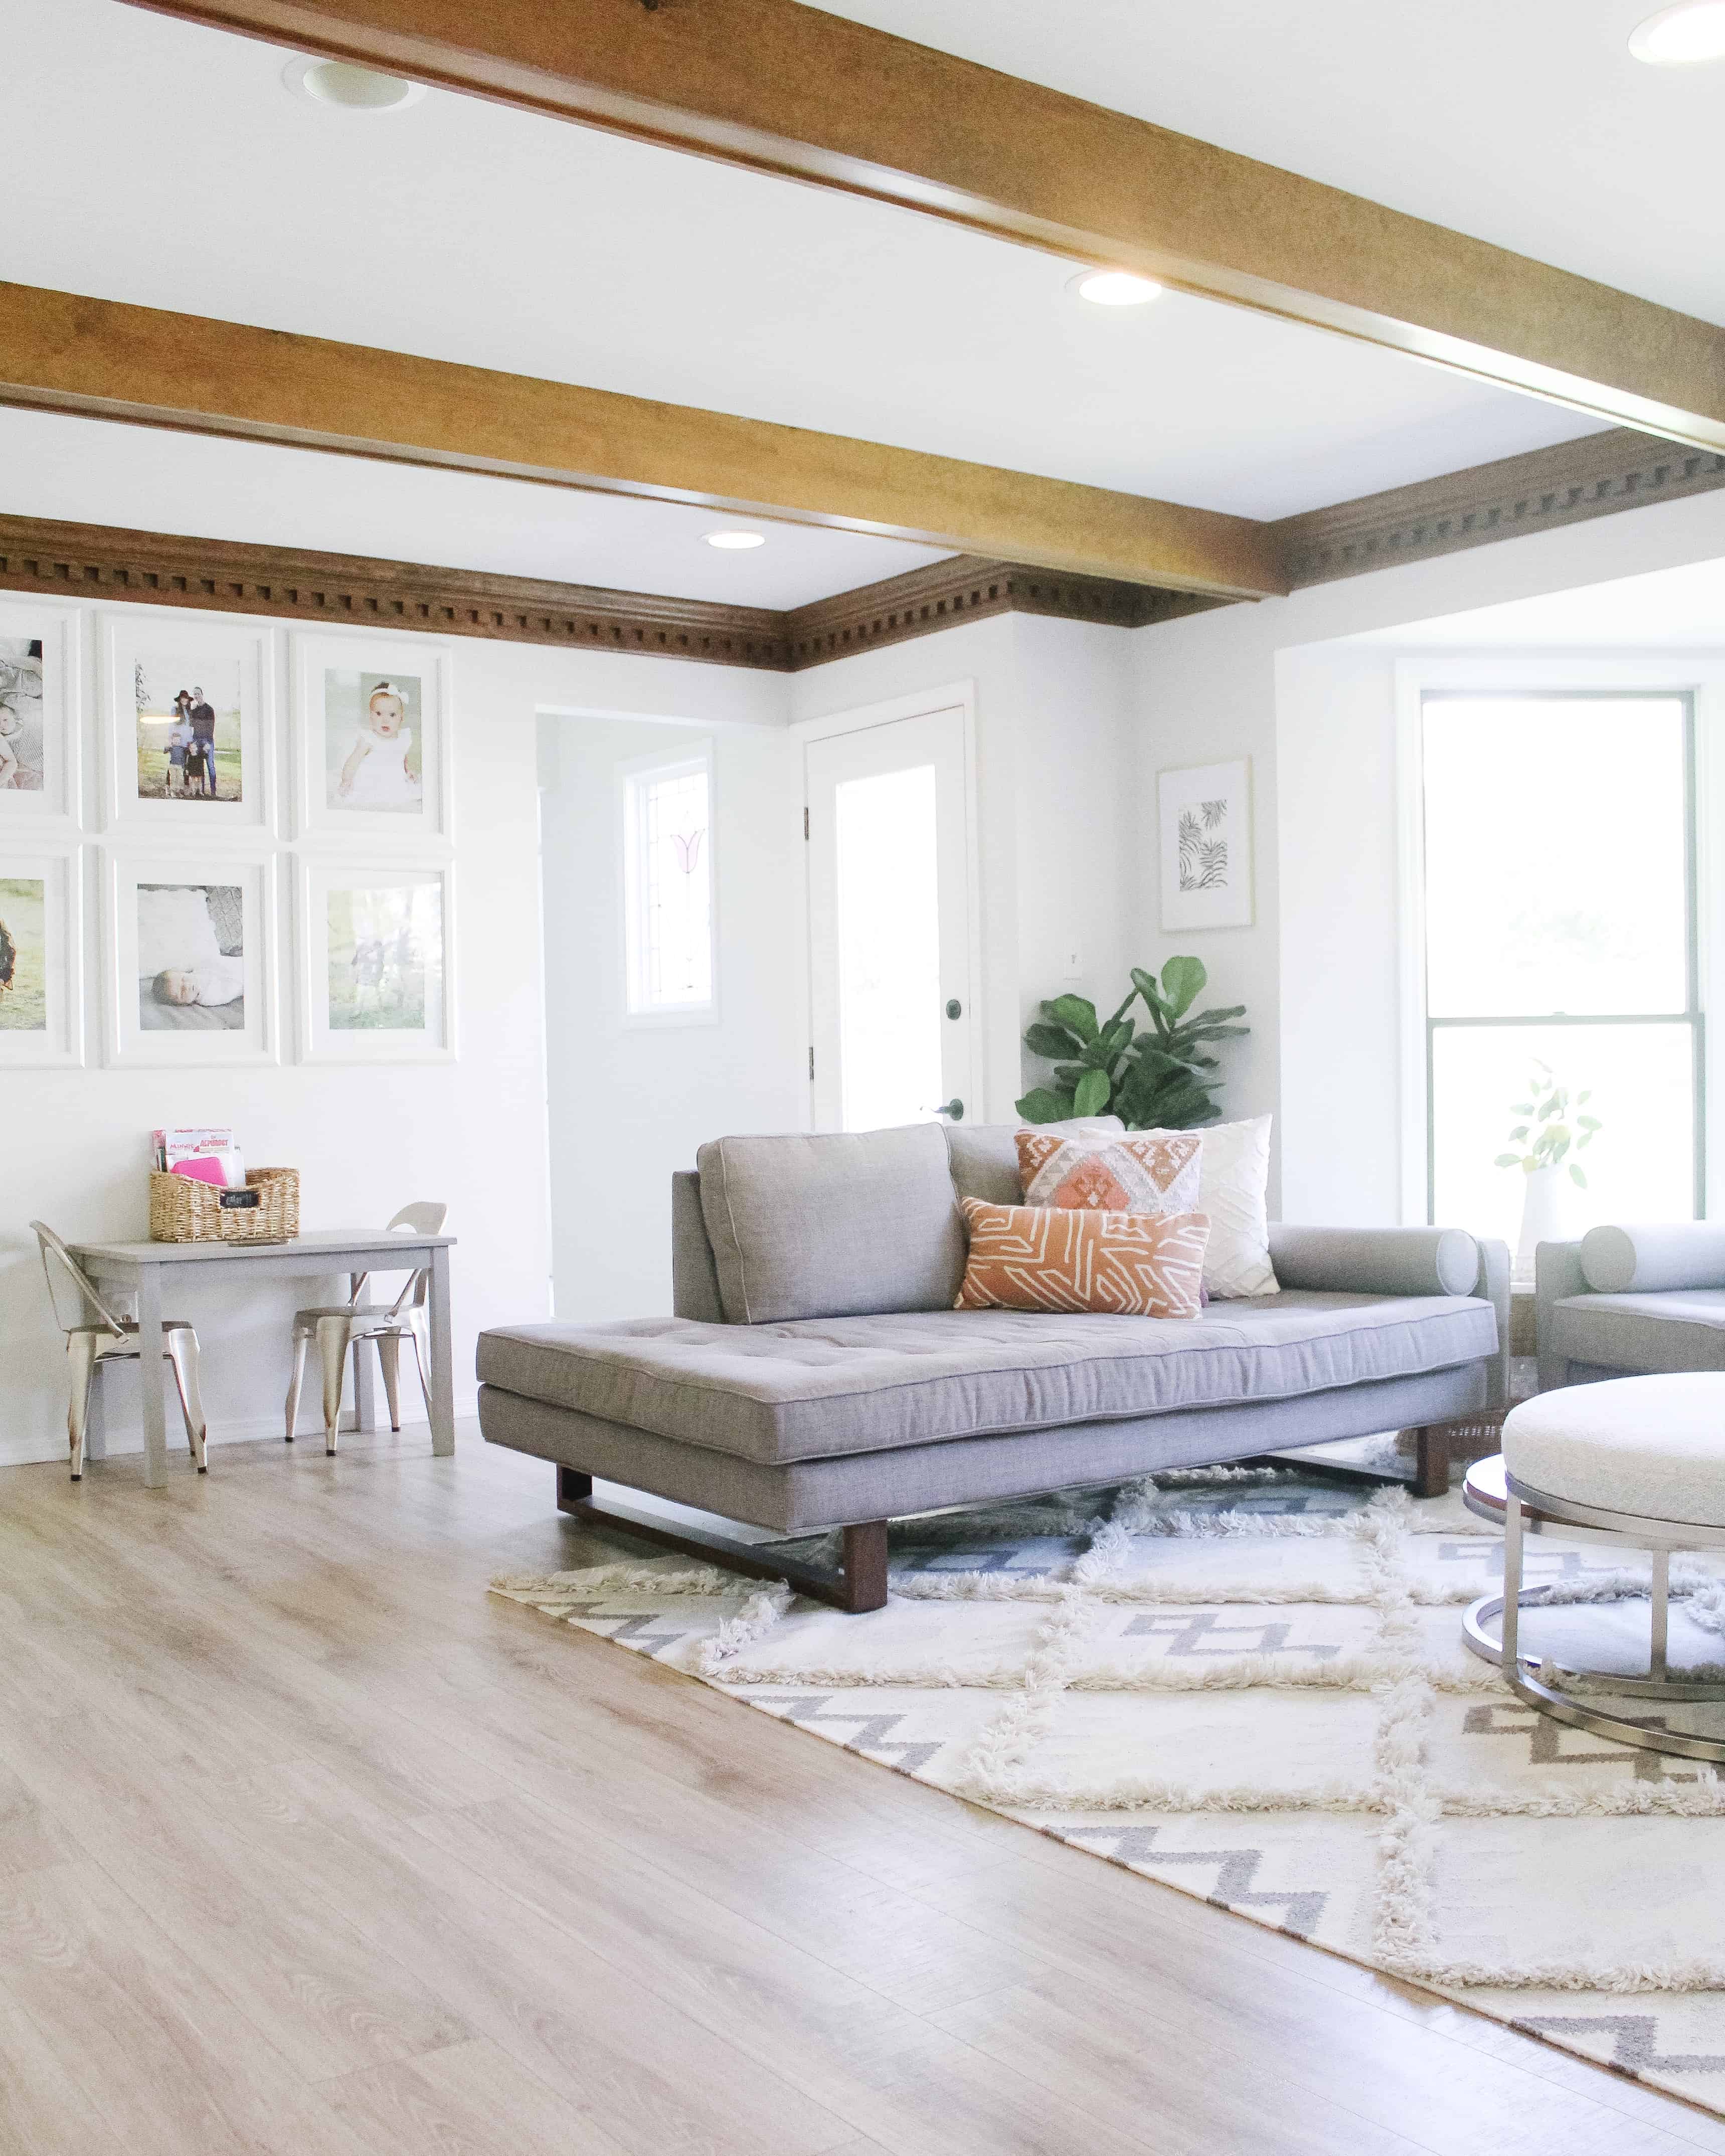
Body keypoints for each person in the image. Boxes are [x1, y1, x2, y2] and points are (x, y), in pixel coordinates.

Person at [336, 680, 421, 810]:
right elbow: (353, 762)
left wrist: (408, 771)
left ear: (401, 718)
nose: (385, 720)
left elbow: (402, 758)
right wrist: (346, 780)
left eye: (392, 715)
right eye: (379, 714)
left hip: (395, 783)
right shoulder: (369, 740)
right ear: (371, 716)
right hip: (371, 784)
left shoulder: (402, 739)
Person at [188, 686, 218, 799]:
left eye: (198, 694)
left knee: (211, 766)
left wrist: (208, 743)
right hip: (197, 740)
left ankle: (213, 791)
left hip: (207, 741)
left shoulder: (209, 709)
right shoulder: (194, 710)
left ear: (202, 694)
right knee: (200, 767)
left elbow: (211, 727)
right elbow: (191, 725)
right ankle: (202, 791)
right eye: (195, 694)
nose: (196, 696)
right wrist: (192, 710)